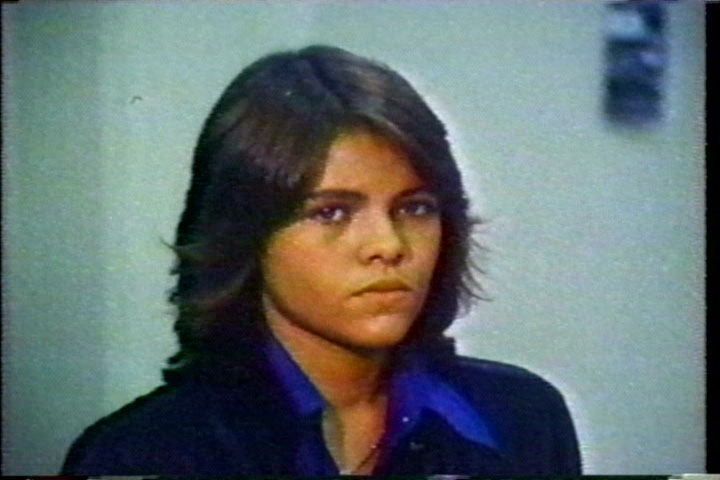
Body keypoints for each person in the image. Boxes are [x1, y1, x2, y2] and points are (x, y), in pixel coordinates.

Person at [61, 45, 581, 476]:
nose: (388, 245)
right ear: (245, 234)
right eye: (331, 212)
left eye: (414, 208)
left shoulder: (524, 418)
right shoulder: (142, 454)